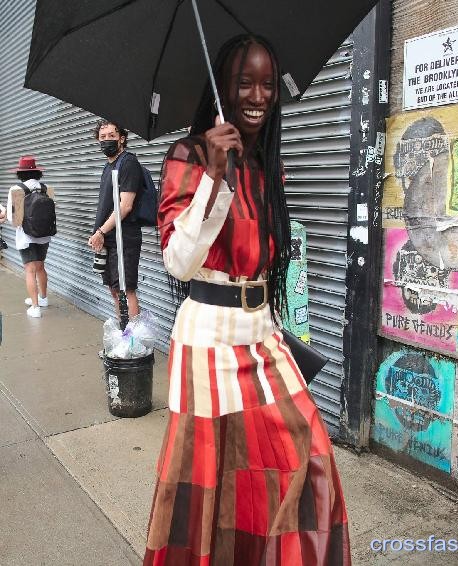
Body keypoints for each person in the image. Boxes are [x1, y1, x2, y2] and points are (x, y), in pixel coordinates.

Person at [144, 35, 351, 565]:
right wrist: (213, 176)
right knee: (209, 485)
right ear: (225, 90)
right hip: (208, 339)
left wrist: (277, 323)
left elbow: (265, 256)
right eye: (244, 83)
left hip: (260, 334)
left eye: (266, 84)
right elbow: (179, 263)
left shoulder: (264, 164)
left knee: (309, 456)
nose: (258, 95)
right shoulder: (189, 155)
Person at [88, 120, 144, 319]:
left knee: (125, 290)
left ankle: (132, 342)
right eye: (102, 137)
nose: (106, 140)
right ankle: (124, 336)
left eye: (111, 136)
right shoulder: (108, 166)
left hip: (124, 238)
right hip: (108, 238)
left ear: (122, 138)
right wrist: (99, 234)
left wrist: (101, 231)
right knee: (114, 290)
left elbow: (125, 205)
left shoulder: (128, 163)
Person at [6, 156, 53, 318]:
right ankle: (43, 298)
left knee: (30, 270)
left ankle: (35, 307)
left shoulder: (16, 190)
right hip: (45, 236)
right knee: (41, 267)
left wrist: (6, 214)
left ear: (20, 173)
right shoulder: (46, 188)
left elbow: (14, 220)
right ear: (37, 171)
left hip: (26, 237)